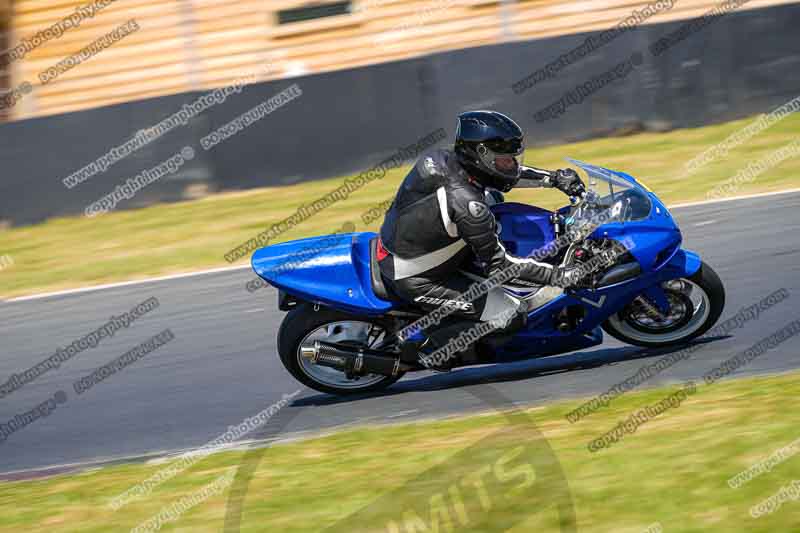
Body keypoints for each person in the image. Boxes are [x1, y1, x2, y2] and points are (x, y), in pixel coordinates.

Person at [376, 110, 588, 367]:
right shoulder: (467, 204)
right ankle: (422, 350)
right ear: (482, 156)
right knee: (510, 315)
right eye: (506, 159)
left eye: (513, 158)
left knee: (494, 201)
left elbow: (501, 177)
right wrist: (559, 275)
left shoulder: (442, 159)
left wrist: (553, 179)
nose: (513, 163)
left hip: (408, 244)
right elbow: (500, 267)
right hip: (417, 278)